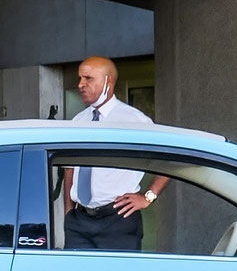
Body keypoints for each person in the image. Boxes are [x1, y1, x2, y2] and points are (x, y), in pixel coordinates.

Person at [62, 57, 168, 251]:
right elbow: (70, 168)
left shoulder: (135, 122)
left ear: (108, 81)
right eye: (79, 78)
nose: (80, 85)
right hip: (79, 222)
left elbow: (168, 160)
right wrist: (69, 211)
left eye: (88, 78)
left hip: (118, 220)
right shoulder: (78, 121)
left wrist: (148, 196)